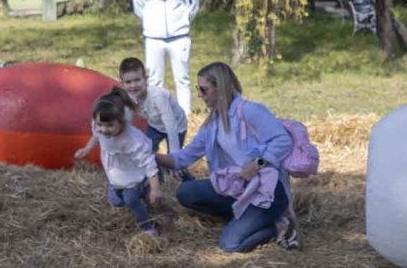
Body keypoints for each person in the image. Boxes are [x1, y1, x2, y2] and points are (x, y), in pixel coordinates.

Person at [157, 62, 299, 252]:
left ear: (220, 87)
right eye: (198, 89)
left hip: (266, 193)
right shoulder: (212, 123)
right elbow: (183, 158)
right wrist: (151, 156)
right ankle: (244, 218)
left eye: (203, 90)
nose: (199, 95)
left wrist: (258, 163)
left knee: (230, 244)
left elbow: (283, 141)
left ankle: (278, 226)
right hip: (235, 188)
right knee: (185, 193)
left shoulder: (250, 111)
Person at [74, 88, 161, 236]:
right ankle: (140, 192)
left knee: (130, 200)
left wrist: (155, 189)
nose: (103, 130)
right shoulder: (100, 124)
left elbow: (149, 164)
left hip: (133, 176)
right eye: (100, 124)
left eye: (109, 126)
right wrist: (87, 149)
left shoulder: (132, 140)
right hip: (116, 174)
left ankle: (148, 227)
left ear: (122, 122)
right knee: (116, 201)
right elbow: (96, 135)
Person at [132, 0, 200, 112]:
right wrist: (151, 24)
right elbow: (139, 7)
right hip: (154, 38)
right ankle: (157, 116)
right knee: (154, 81)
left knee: (183, 79)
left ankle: (185, 117)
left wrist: (183, 22)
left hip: (179, 37)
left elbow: (193, 5)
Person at [119, 56, 188, 154]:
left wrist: (174, 156)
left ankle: (179, 168)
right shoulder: (130, 97)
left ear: (146, 79)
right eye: (128, 82)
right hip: (155, 126)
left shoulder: (157, 96)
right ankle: (155, 168)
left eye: (137, 80)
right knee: (146, 151)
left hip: (176, 126)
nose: (133, 85)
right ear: (122, 83)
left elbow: (170, 123)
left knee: (174, 157)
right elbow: (128, 120)